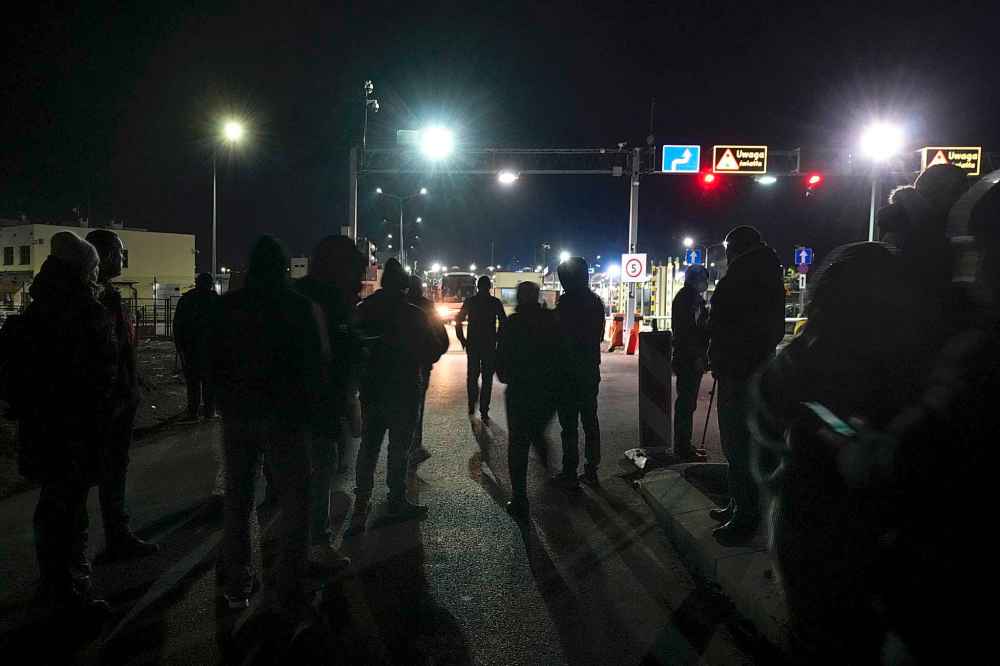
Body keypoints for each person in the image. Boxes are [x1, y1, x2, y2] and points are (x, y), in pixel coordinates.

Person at [211, 235, 331, 612]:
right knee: (296, 500)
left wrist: (223, 399)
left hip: (239, 415)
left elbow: (210, 359)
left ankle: (237, 582)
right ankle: (289, 582)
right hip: (286, 417)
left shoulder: (228, 307)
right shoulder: (299, 307)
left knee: (238, 497)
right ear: (282, 269)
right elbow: (317, 363)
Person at [13, 232, 116, 629]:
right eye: (92, 269)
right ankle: (71, 594)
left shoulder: (38, 310)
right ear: (82, 270)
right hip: (76, 430)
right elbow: (101, 377)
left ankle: (54, 585)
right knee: (70, 514)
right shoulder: (83, 312)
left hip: (41, 427)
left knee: (52, 510)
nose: (95, 276)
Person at [349, 259, 445, 533]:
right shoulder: (414, 314)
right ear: (404, 285)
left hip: (372, 389)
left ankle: (361, 501)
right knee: (399, 448)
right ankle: (396, 499)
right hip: (404, 388)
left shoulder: (364, 309)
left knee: (369, 446)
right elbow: (435, 347)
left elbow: (353, 348)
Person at [293, 234, 367, 572]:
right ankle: (316, 545)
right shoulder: (329, 300)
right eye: (354, 266)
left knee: (299, 475)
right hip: (317, 405)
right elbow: (334, 356)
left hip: (291, 405)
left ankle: (296, 547)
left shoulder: (296, 292)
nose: (358, 276)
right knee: (319, 471)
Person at [707, 225, 784, 546]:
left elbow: (723, 323)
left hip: (739, 372)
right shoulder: (767, 275)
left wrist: (722, 352)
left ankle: (744, 515)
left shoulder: (743, 278)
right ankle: (738, 503)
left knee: (737, 444)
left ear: (735, 248)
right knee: (742, 444)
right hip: (751, 369)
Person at [85, 229, 160, 560]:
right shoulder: (89, 299)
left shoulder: (107, 296)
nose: (122, 258)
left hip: (118, 400)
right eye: (117, 252)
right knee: (87, 475)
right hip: (102, 405)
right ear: (99, 255)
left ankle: (117, 533)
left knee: (115, 470)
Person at [495, 281, 561, 520]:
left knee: (518, 443)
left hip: (520, 390)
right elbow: (561, 353)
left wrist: (506, 374)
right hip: (547, 390)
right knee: (537, 432)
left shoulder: (512, 324)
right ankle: (549, 472)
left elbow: (500, 361)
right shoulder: (552, 321)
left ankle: (520, 497)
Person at [554, 256, 605, 489]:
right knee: (590, 421)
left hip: (567, 374)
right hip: (589, 372)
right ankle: (592, 469)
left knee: (569, 426)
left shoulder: (566, 303)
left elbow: (558, 339)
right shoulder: (595, 302)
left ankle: (570, 471)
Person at [406, 274, 450, 467]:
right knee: (417, 408)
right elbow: (441, 339)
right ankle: (414, 446)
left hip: (392, 370)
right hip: (419, 367)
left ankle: (404, 448)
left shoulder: (397, 305)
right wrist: (429, 359)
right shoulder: (426, 307)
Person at [670, 264, 710, 461]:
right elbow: (691, 332)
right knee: (686, 402)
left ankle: (683, 444)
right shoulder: (691, 300)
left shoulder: (685, 297)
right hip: (689, 357)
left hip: (686, 355)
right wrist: (697, 356)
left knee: (687, 402)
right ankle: (682, 447)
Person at [455, 275, 506, 422]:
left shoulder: (470, 302)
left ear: (477, 287)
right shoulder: (495, 303)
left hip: (473, 344)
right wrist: (497, 337)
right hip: (489, 345)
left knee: (472, 376)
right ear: (489, 287)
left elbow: (458, 320)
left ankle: (472, 403)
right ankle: (484, 409)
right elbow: (504, 322)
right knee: (487, 378)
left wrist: (462, 340)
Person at [173, 272, 220, 421]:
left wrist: (179, 347)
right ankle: (209, 411)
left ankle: (193, 411)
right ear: (210, 284)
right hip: (211, 350)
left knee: (193, 382)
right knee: (210, 382)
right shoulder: (215, 300)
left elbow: (177, 325)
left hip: (190, 349)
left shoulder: (186, 299)